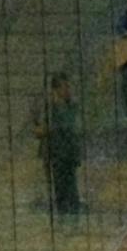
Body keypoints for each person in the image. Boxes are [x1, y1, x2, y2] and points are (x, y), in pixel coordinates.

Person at [38, 71, 84, 213]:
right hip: (57, 155)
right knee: (61, 191)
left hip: (68, 154)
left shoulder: (70, 106)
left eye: (68, 87)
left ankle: (72, 212)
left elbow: (68, 126)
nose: (68, 90)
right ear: (56, 90)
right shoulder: (50, 108)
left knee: (71, 189)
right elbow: (40, 128)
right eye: (65, 87)